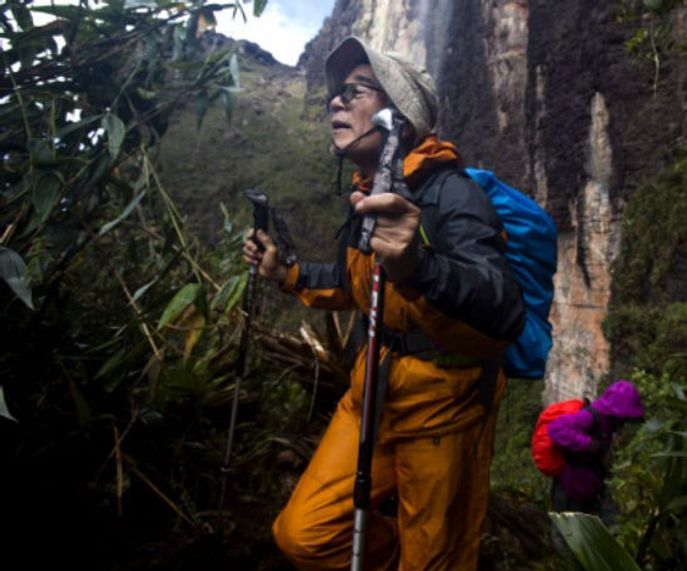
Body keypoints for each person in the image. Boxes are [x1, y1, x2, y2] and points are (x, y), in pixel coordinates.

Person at [242, 36, 525, 570]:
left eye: (357, 90)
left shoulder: (452, 194)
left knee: (435, 561)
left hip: (443, 407)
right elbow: (356, 285)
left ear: (401, 115)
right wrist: (287, 273)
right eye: (336, 92)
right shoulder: (367, 193)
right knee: (302, 535)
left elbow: (502, 307)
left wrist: (418, 265)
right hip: (371, 392)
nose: (336, 101)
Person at [547, 380, 645, 517]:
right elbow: (556, 429)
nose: (624, 422)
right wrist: (588, 444)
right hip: (571, 488)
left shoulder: (608, 424)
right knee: (567, 534)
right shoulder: (589, 417)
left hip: (589, 488)